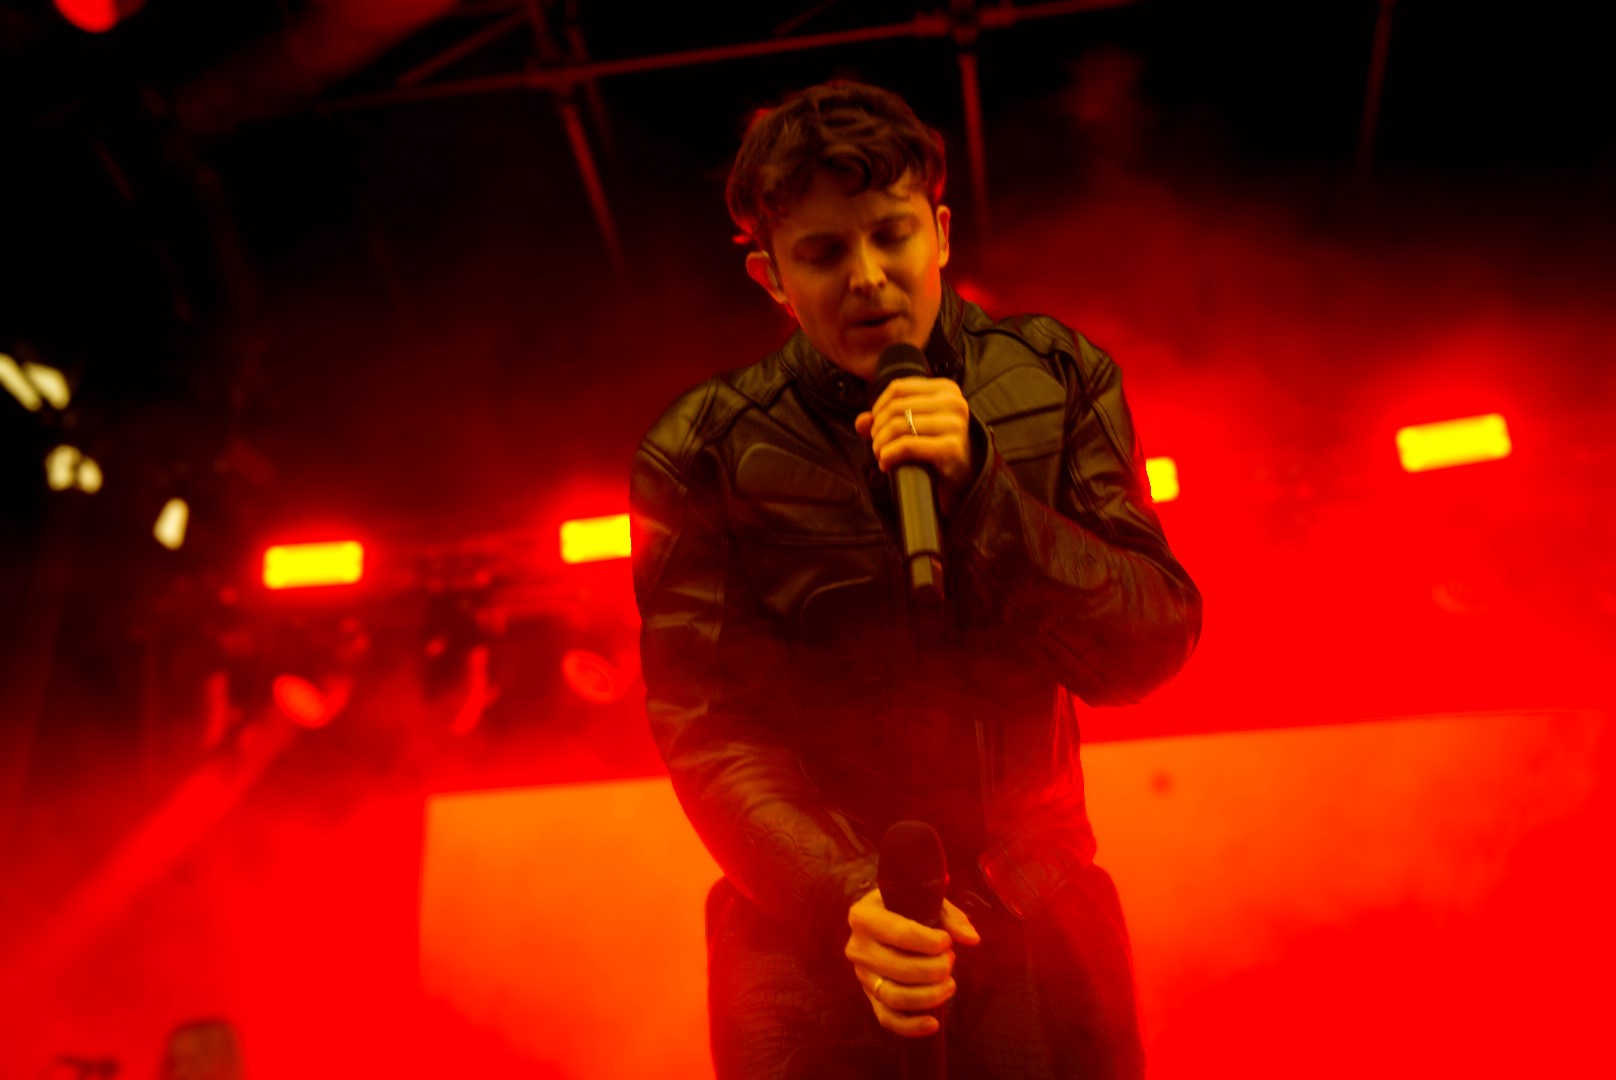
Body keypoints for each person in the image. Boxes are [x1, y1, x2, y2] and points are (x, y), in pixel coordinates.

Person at [630, 81, 1200, 1078]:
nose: (867, 278)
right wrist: (841, 895)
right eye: (822, 253)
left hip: (1036, 905)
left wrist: (983, 491)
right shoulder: (701, 448)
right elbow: (709, 729)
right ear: (770, 275)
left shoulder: (1057, 378)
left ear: (938, 233)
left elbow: (1147, 646)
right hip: (805, 933)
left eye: (890, 235)